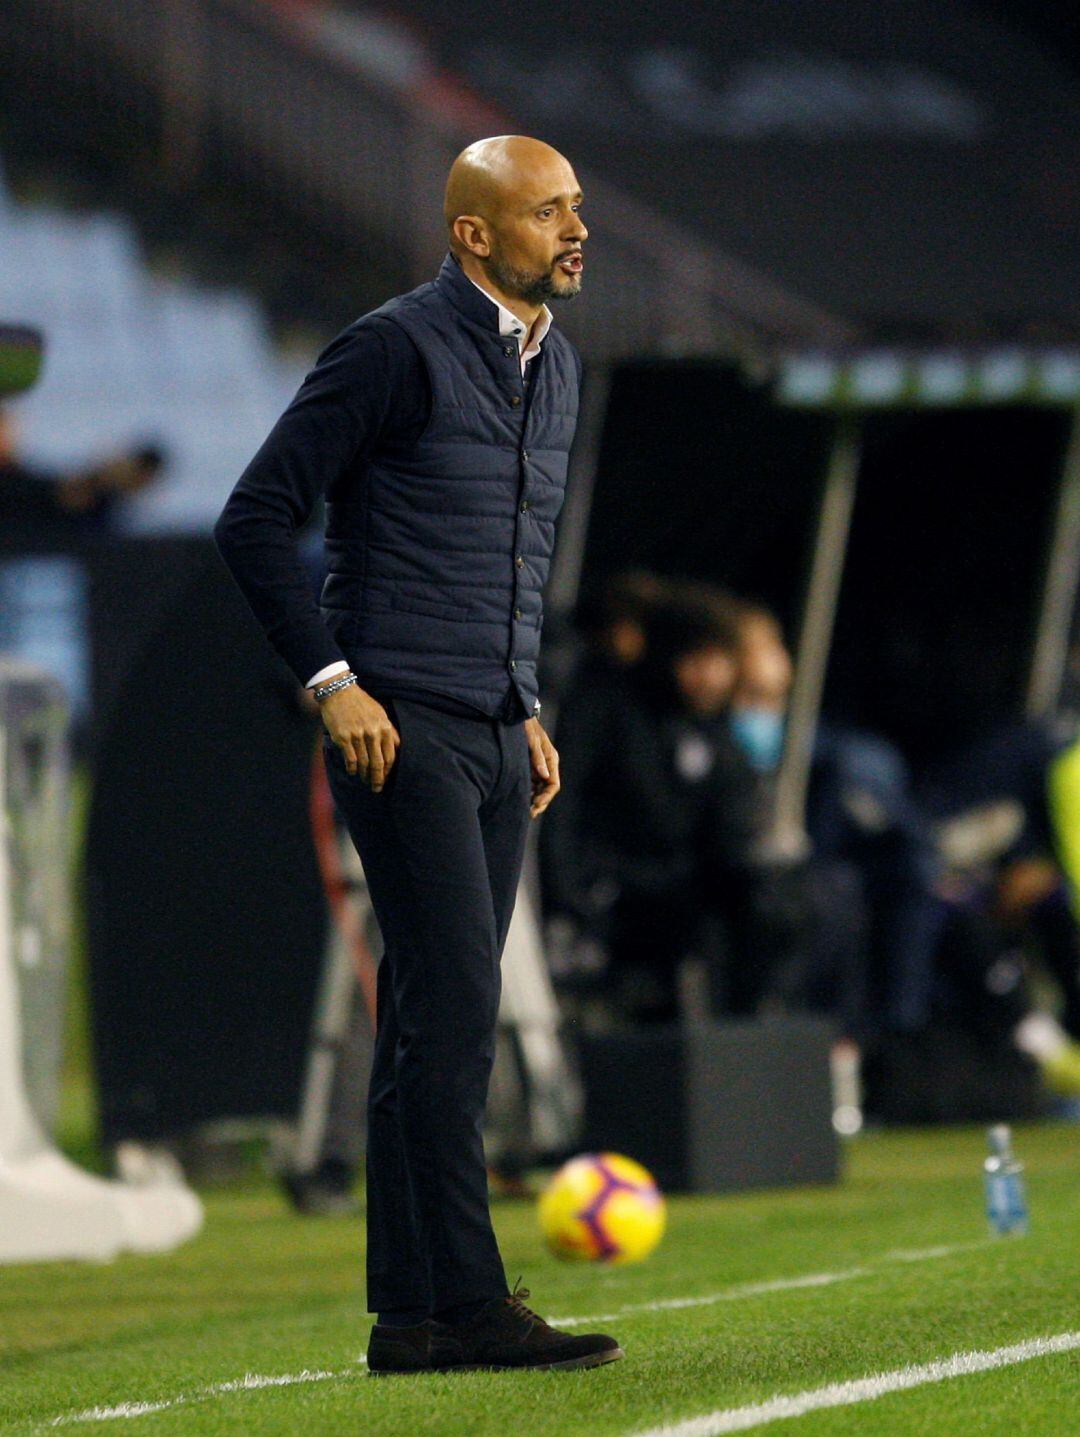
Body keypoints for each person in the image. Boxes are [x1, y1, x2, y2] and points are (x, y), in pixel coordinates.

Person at [213, 135, 622, 1375]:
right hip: (404, 725)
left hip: (497, 726)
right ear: (474, 235)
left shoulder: (560, 369)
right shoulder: (392, 347)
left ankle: (415, 1316)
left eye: (577, 208)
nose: (575, 229)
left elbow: (508, 559)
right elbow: (257, 516)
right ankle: (471, 1302)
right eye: (549, 212)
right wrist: (331, 682)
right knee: (454, 1013)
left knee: (434, 1023)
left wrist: (529, 701)